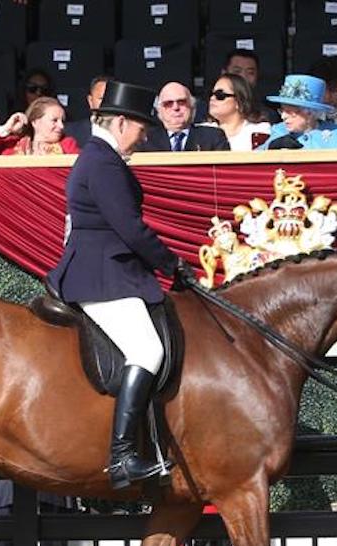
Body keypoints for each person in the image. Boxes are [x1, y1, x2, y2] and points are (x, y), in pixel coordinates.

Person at [45, 80, 187, 490]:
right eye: (142, 128)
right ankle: (122, 456)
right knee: (148, 348)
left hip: (105, 268)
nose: (144, 137)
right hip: (101, 273)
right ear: (122, 122)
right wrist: (170, 263)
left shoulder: (98, 157)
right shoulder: (103, 162)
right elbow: (130, 228)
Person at [256, 74, 337, 150]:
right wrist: (271, 146)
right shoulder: (280, 130)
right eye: (282, 110)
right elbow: (253, 161)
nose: (283, 116)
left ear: (310, 113)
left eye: (290, 112)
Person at [0, 95, 79, 155]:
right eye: (54, 120)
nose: (61, 126)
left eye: (62, 121)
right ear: (35, 122)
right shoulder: (12, 145)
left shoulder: (68, 145)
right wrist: (5, 130)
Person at [142, 81, 230, 152]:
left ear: (192, 106)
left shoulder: (213, 137)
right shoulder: (145, 139)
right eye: (168, 103)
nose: (176, 107)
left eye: (181, 102)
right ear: (159, 110)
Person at [204, 72, 269, 151]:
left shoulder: (260, 130)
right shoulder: (201, 131)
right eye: (211, 94)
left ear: (239, 101)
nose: (212, 98)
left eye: (220, 95)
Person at [221, 49, 278, 122]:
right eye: (237, 71)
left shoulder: (268, 115)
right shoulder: (208, 108)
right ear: (224, 73)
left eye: (250, 73)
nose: (243, 77)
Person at [64, 74, 110, 147]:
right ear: (90, 100)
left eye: (110, 99)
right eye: (101, 98)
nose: (106, 103)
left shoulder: (131, 133)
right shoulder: (69, 132)